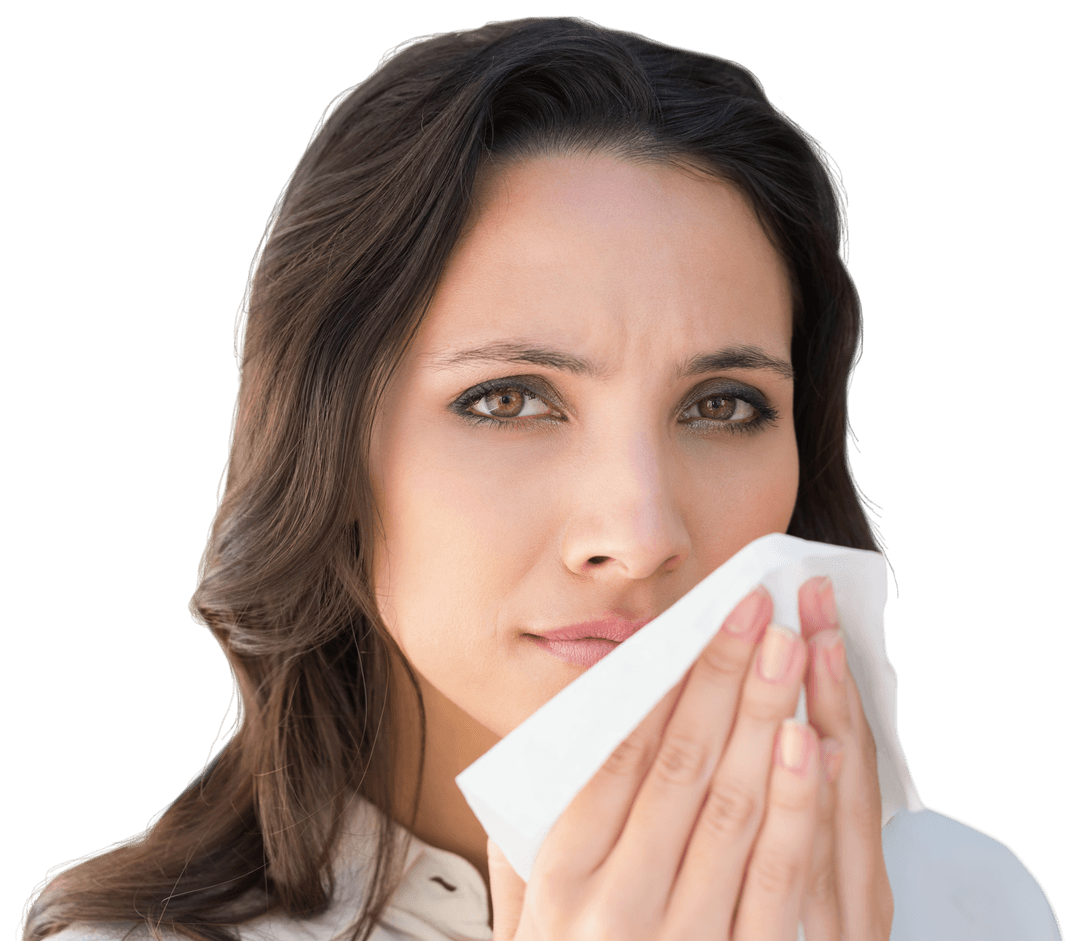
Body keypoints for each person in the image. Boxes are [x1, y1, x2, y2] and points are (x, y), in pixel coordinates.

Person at [20, 15, 1062, 941]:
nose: (640, 529)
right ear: (329, 448)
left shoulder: (959, 897)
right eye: (509, 399)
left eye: (722, 405)